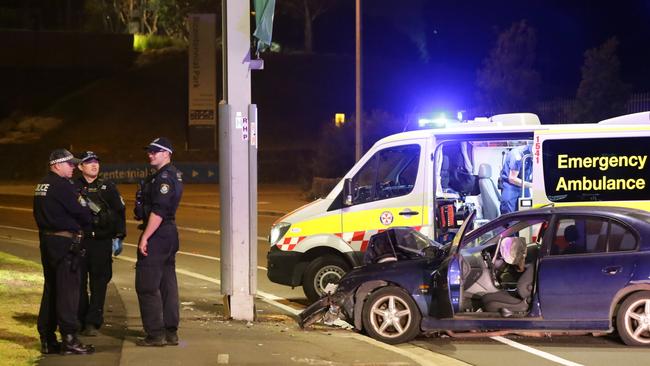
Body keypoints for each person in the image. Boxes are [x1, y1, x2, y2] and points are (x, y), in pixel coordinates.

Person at [33, 148, 95, 355]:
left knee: (51, 290)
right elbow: (83, 212)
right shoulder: (62, 186)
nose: (73, 168)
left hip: (47, 241)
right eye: (69, 164)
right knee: (68, 292)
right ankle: (69, 338)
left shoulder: (42, 184)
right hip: (64, 243)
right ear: (57, 165)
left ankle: (47, 338)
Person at [134, 137, 183, 346]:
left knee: (147, 284)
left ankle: (155, 333)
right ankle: (170, 331)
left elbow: (159, 210)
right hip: (169, 233)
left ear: (167, 153)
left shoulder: (163, 178)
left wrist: (145, 236)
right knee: (167, 283)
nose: (150, 154)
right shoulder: (169, 175)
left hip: (159, 231)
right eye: (149, 151)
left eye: (155, 151)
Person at [75, 151, 126, 336]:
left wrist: (119, 236)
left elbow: (120, 211)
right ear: (80, 167)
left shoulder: (108, 187)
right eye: (89, 162)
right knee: (78, 282)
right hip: (80, 241)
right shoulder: (73, 187)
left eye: (96, 162)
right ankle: (79, 318)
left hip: (101, 242)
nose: (94, 165)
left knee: (99, 283)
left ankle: (93, 321)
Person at [499, 142, 533, 214]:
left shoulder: (533, 156)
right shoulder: (518, 155)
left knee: (527, 214)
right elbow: (512, 179)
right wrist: (532, 185)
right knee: (509, 215)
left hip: (524, 187)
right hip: (511, 187)